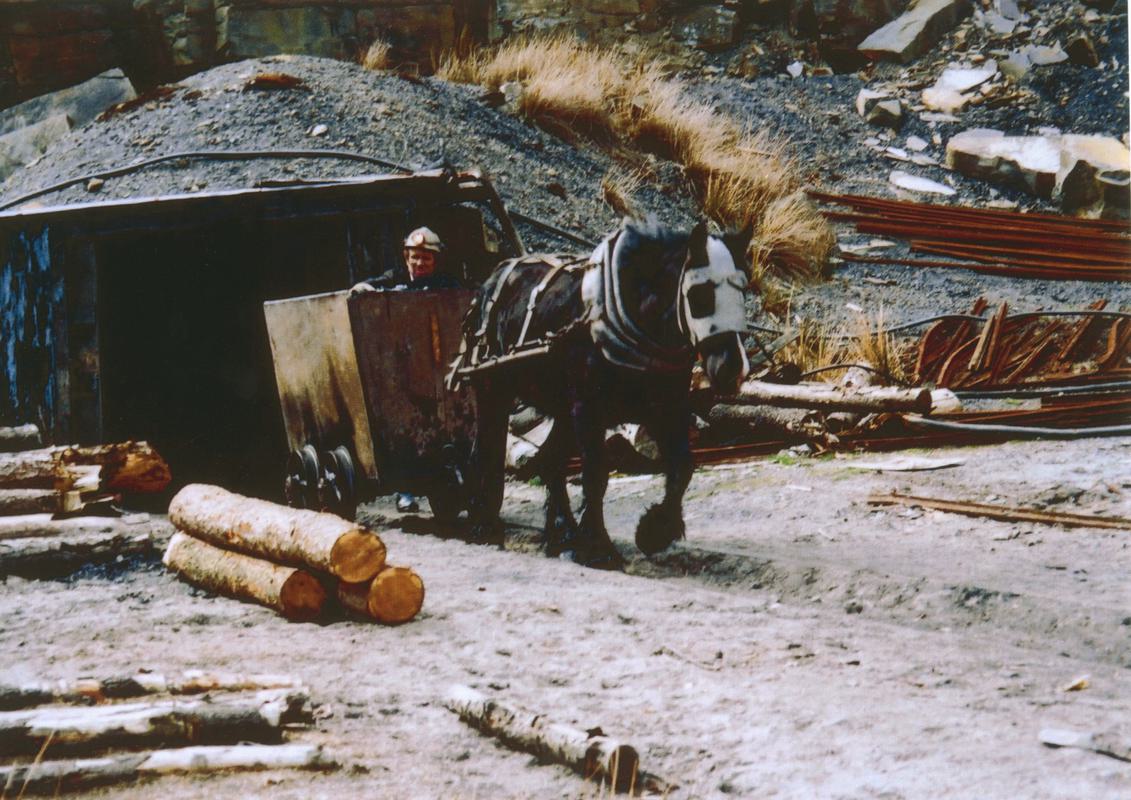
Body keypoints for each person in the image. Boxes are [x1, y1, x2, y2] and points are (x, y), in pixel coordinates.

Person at [351, 227, 463, 512]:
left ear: (435, 260)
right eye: (415, 257)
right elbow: (367, 289)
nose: (420, 263)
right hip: (403, 368)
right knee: (404, 425)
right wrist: (363, 289)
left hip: (437, 366)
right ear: (406, 257)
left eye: (426, 258)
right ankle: (406, 491)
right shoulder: (394, 279)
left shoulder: (446, 284)